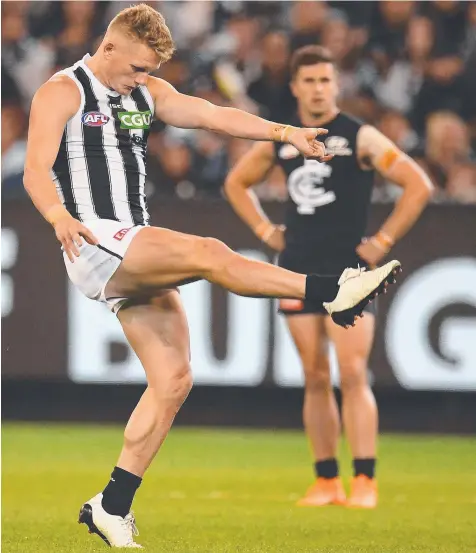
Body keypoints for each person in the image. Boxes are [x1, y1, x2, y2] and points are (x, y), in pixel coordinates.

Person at [23, 7, 401, 548]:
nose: (141, 79)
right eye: (135, 68)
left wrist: (283, 132)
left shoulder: (145, 91)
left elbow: (211, 114)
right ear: (108, 49)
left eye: (147, 71)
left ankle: (111, 505)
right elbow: (35, 169)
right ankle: (333, 291)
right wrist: (59, 217)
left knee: (173, 379)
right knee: (209, 252)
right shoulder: (62, 92)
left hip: (130, 245)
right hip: (94, 238)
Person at [225, 45, 433, 509]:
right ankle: (325, 481)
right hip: (296, 267)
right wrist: (263, 230)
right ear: (296, 87)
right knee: (315, 375)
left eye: (325, 80)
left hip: (350, 272)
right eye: (309, 81)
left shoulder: (360, 137)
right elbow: (235, 183)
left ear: (336, 85)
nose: (318, 89)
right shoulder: (285, 139)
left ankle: (364, 480)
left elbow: (418, 184)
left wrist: (382, 242)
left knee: (354, 372)